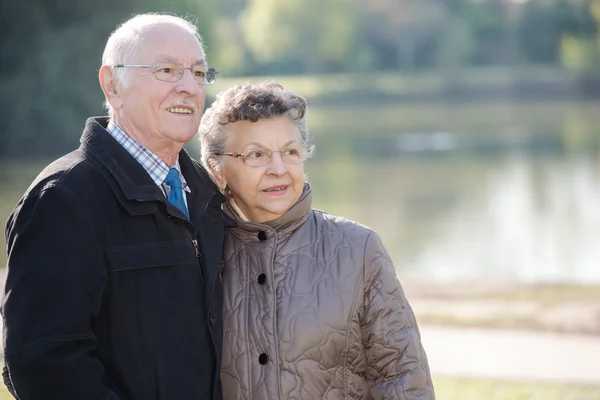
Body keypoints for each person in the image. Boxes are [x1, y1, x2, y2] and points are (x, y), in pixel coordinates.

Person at [1, 13, 231, 400]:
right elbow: (43, 362)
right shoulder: (64, 198)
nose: (188, 87)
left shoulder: (209, 195)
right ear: (112, 85)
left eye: (198, 72)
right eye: (167, 70)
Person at [198, 81, 435, 400]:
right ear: (217, 169)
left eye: (290, 152)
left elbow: (403, 378)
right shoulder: (195, 253)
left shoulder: (358, 249)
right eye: (257, 155)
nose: (279, 169)